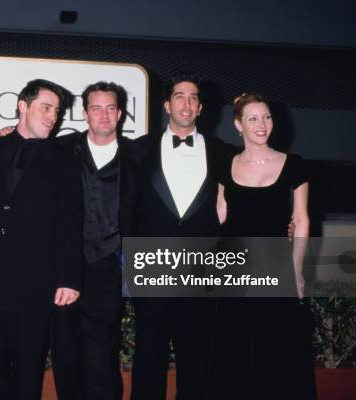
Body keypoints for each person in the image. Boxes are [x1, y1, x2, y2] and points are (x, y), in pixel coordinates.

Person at [0, 79, 83, 400]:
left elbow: (71, 223)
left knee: (28, 367)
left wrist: (69, 278)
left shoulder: (65, 160)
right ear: (22, 106)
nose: (52, 117)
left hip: (36, 281)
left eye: (57, 111)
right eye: (45, 107)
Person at [130, 73, 233, 400]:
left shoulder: (225, 154)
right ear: (166, 104)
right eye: (179, 96)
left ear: (201, 107)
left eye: (192, 98)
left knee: (197, 354)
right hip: (151, 265)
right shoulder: (137, 150)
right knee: (149, 353)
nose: (186, 103)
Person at [213, 92, 316, 400]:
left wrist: (297, 272)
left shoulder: (294, 165)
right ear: (238, 125)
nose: (262, 124)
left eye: (267, 117)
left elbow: (302, 220)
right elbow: (219, 216)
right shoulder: (224, 165)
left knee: (278, 353)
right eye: (253, 118)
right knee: (233, 353)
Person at [49, 81, 141, 400]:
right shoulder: (60, 148)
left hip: (109, 265)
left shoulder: (138, 155)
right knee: (66, 351)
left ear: (120, 114)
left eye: (110, 108)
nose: (103, 115)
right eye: (96, 108)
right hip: (65, 265)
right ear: (85, 113)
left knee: (102, 353)